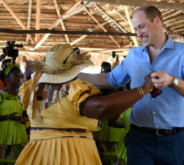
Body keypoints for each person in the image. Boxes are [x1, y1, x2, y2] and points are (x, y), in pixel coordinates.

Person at [77, 6, 184, 165]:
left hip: (172, 140)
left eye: (141, 26)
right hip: (139, 138)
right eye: (136, 28)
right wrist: (75, 76)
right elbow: (112, 80)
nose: (138, 33)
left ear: (157, 21)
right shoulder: (133, 54)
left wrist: (172, 80)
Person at [15, 44, 154, 165]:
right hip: (69, 153)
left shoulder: (32, 88)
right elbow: (101, 108)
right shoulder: (71, 88)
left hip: (38, 153)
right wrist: (143, 89)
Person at [0, 63, 28, 165]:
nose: (18, 79)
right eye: (15, 76)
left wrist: (25, 118)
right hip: (4, 133)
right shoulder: (1, 94)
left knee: (18, 162)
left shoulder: (22, 96)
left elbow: (26, 113)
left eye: (20, 76)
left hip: (19, 133)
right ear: (7, 78)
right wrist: (8, 117)